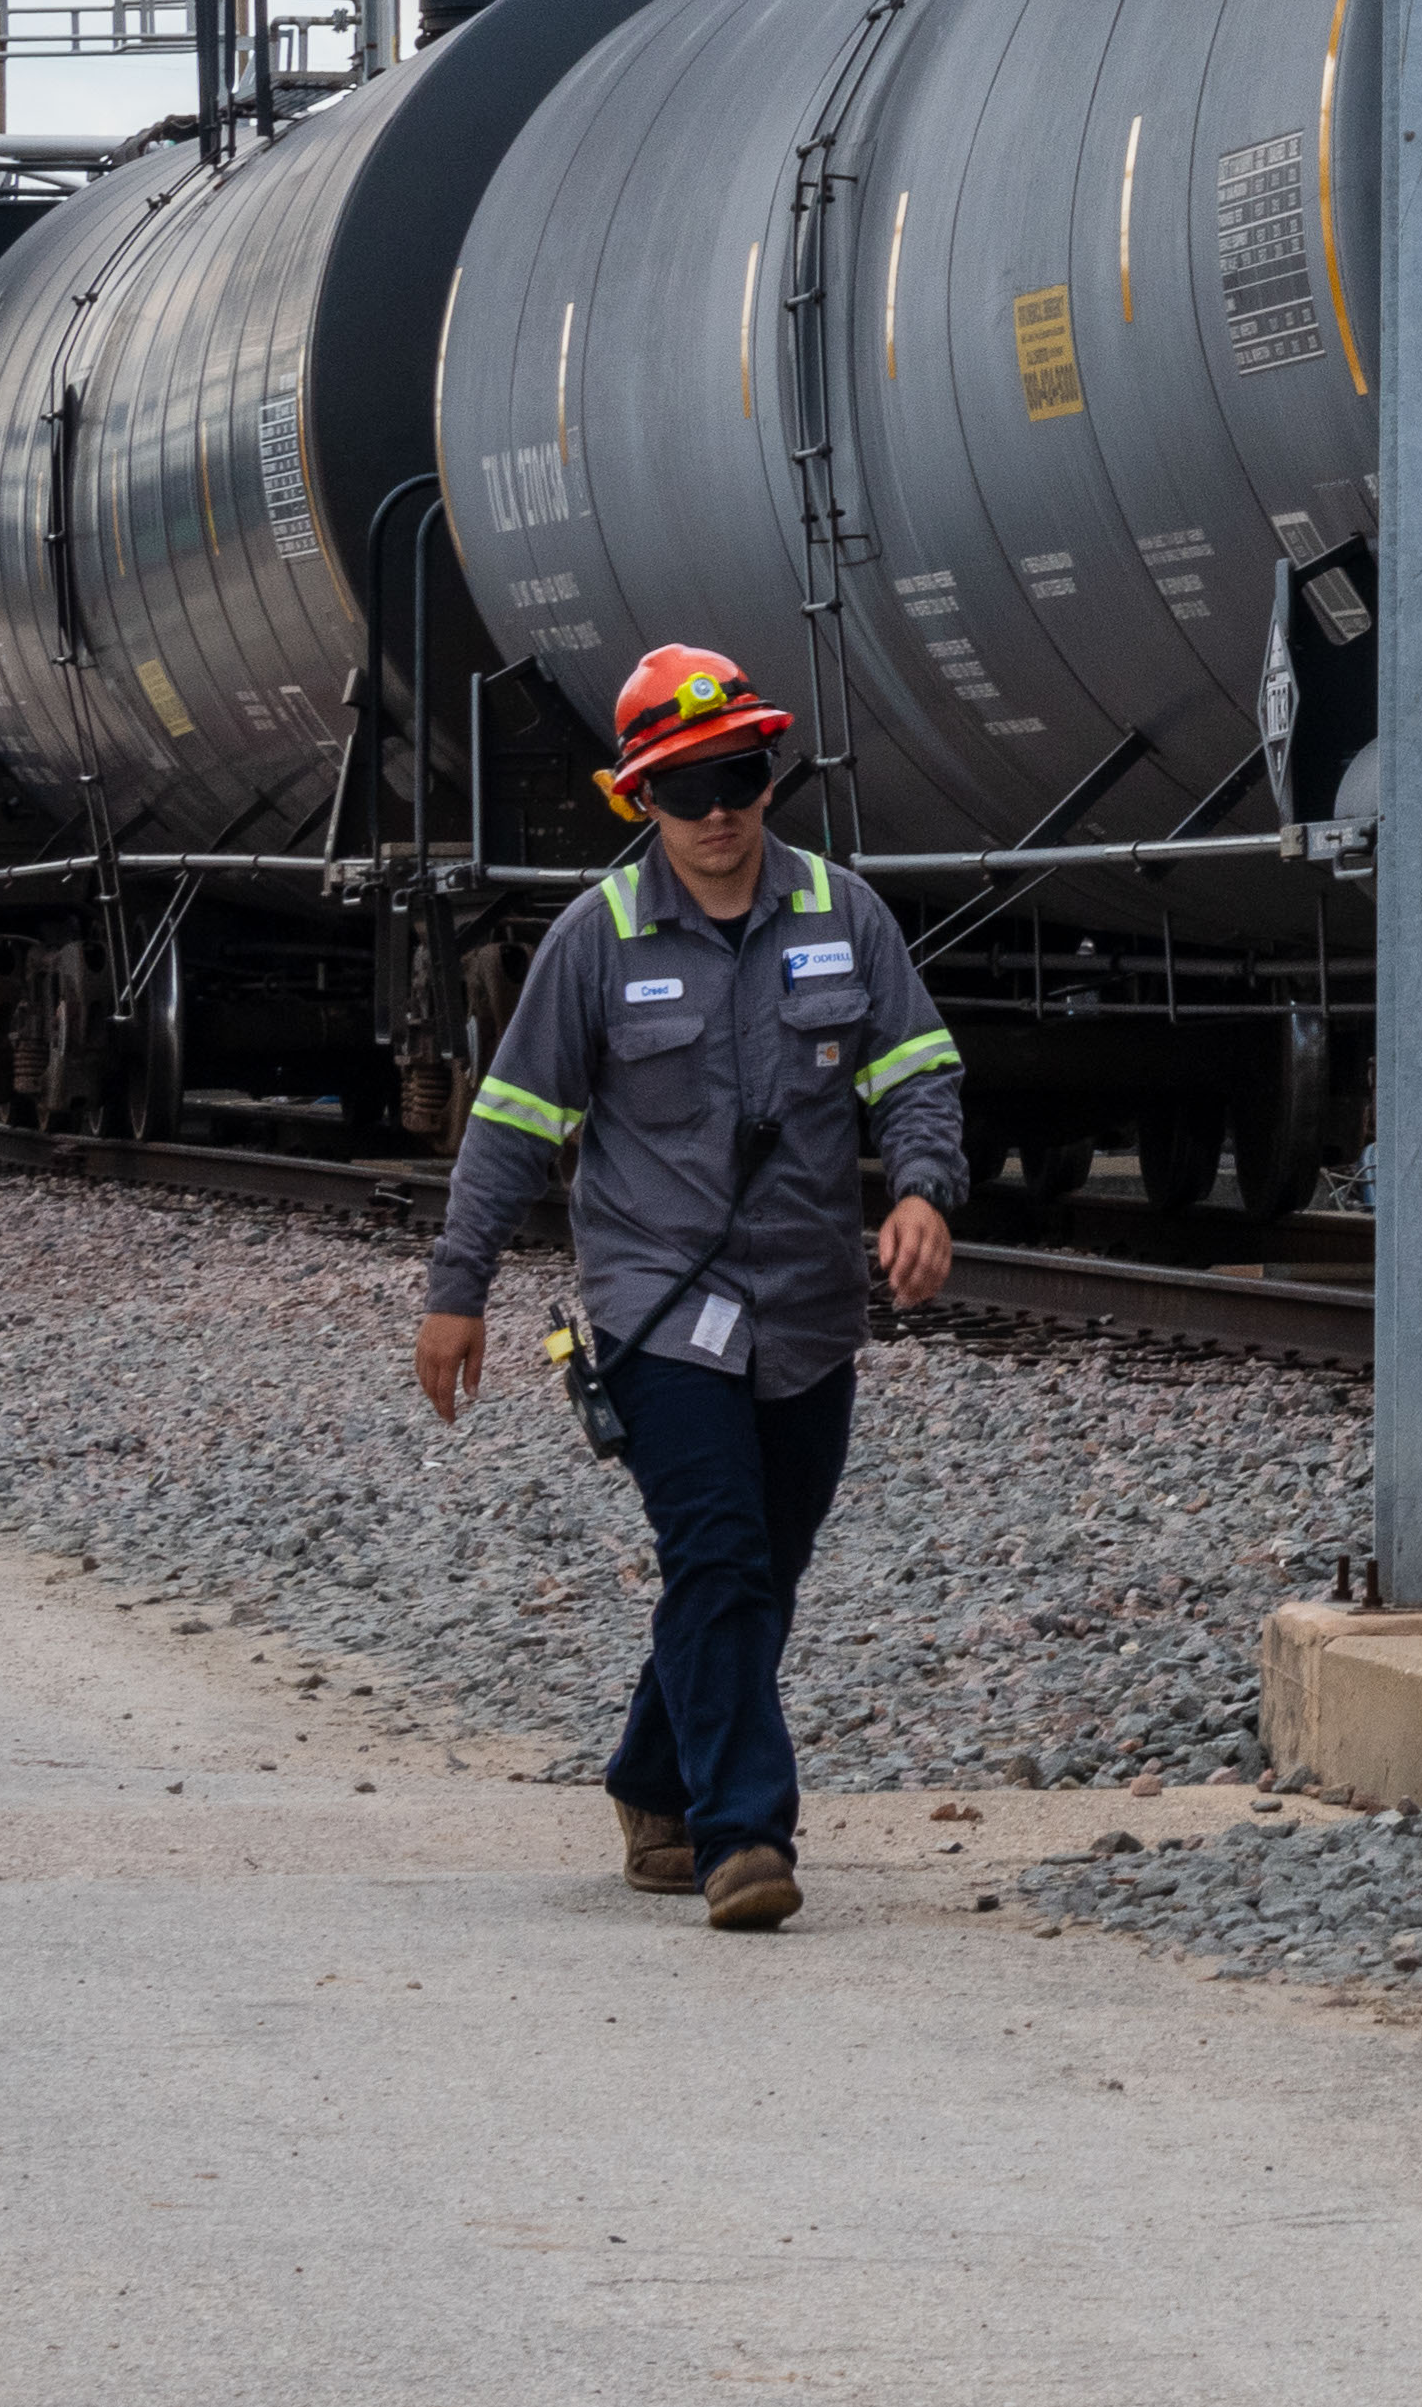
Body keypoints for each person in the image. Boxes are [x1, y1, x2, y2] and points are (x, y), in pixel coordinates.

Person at [412, 646, 967, 1932]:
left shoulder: (846, 915)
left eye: (742, 779)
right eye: (686, 789)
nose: (719, 813)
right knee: (714, 1553)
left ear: (769, 777)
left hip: (811, 1311)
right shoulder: (594, 943)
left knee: (758, 1569)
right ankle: (743, 1838)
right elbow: (507, 1128)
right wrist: (460, 1291)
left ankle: (651, 1779)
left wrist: (925, 1190)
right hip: (659, 1310)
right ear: (639, 802)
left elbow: (919, 1070)